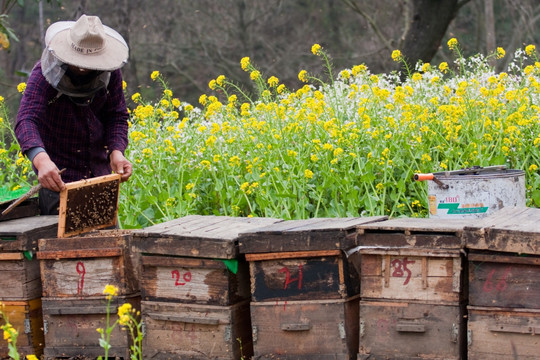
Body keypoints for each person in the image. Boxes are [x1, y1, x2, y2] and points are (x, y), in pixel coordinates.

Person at [15, 14, 132, 215]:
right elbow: (27, 119)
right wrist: (41, 160)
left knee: (109, 243)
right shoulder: (44, 73)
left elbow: (117, 115)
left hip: (99, 179)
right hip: (58, 182)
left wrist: (116, 151)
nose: (83, 67)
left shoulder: (110, 73)